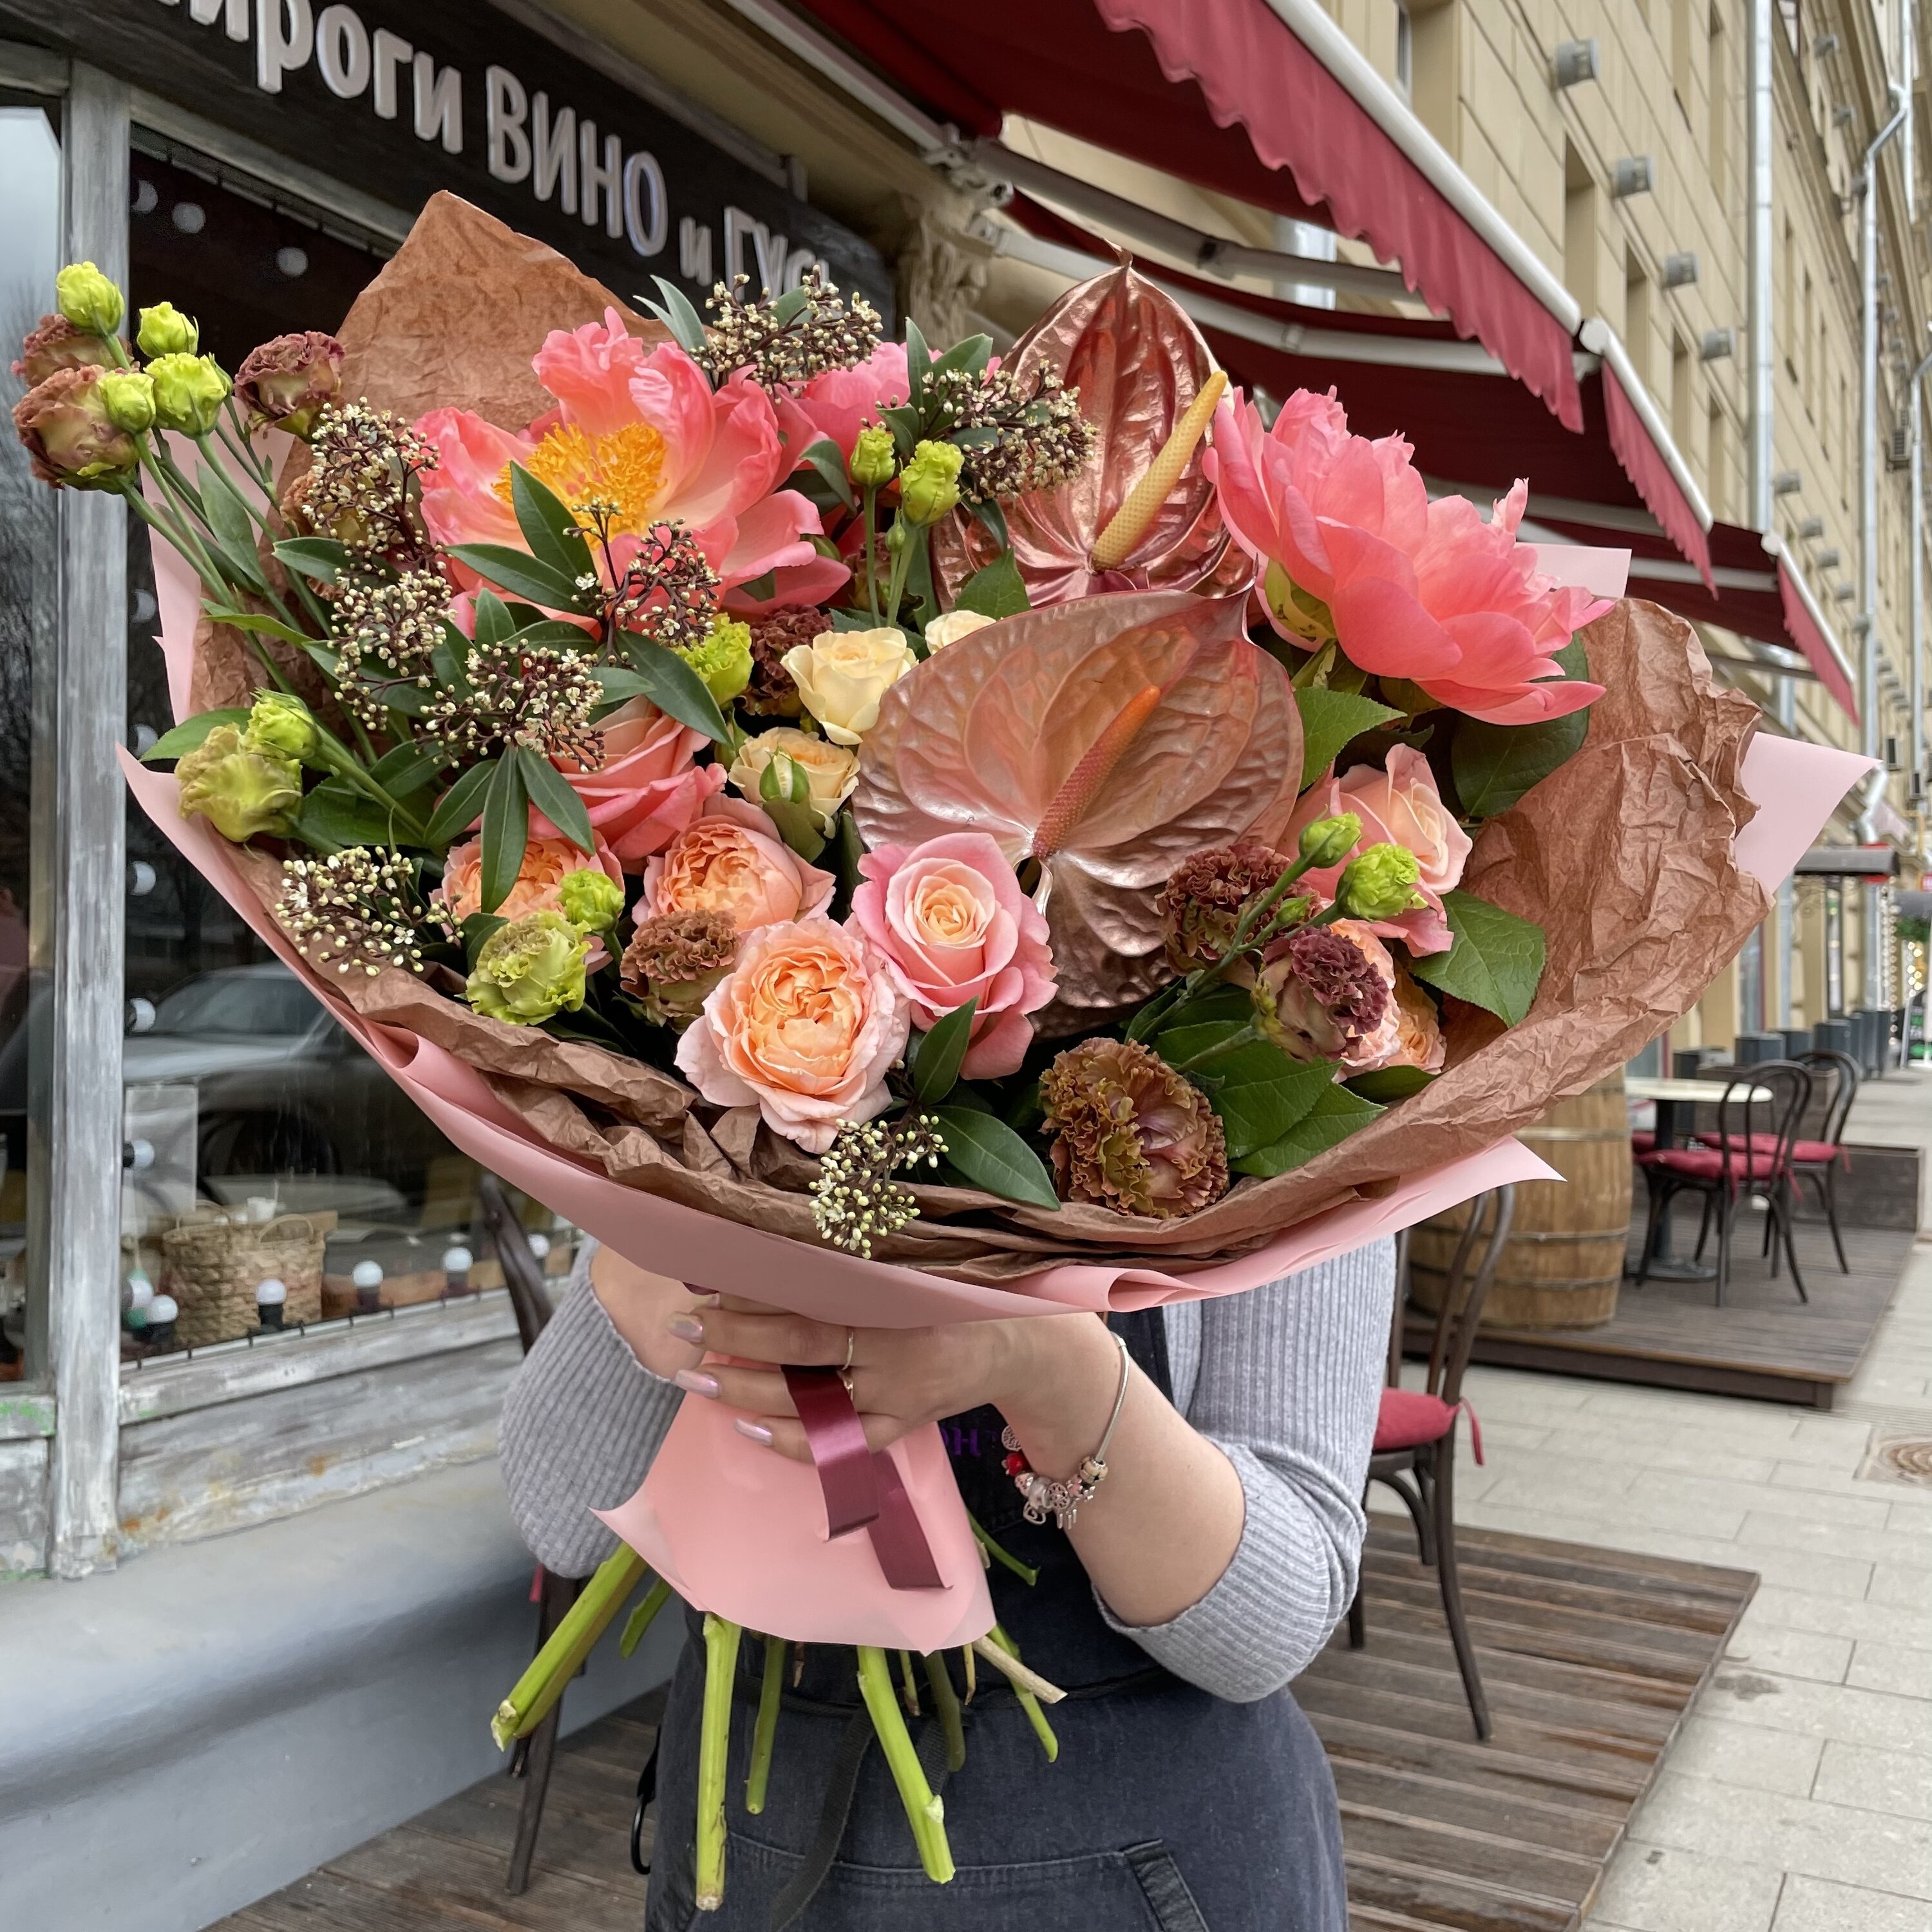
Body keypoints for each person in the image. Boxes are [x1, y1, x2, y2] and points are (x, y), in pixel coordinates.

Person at [500, 1235, 1395, 1931]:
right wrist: (654, 1246)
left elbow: (1269, 1629)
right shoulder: (717, 1041)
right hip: (746, 1843)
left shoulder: (1279, 1044)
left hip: (1130, 1856)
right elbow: (558, 1519)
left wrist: (1045, 1366)